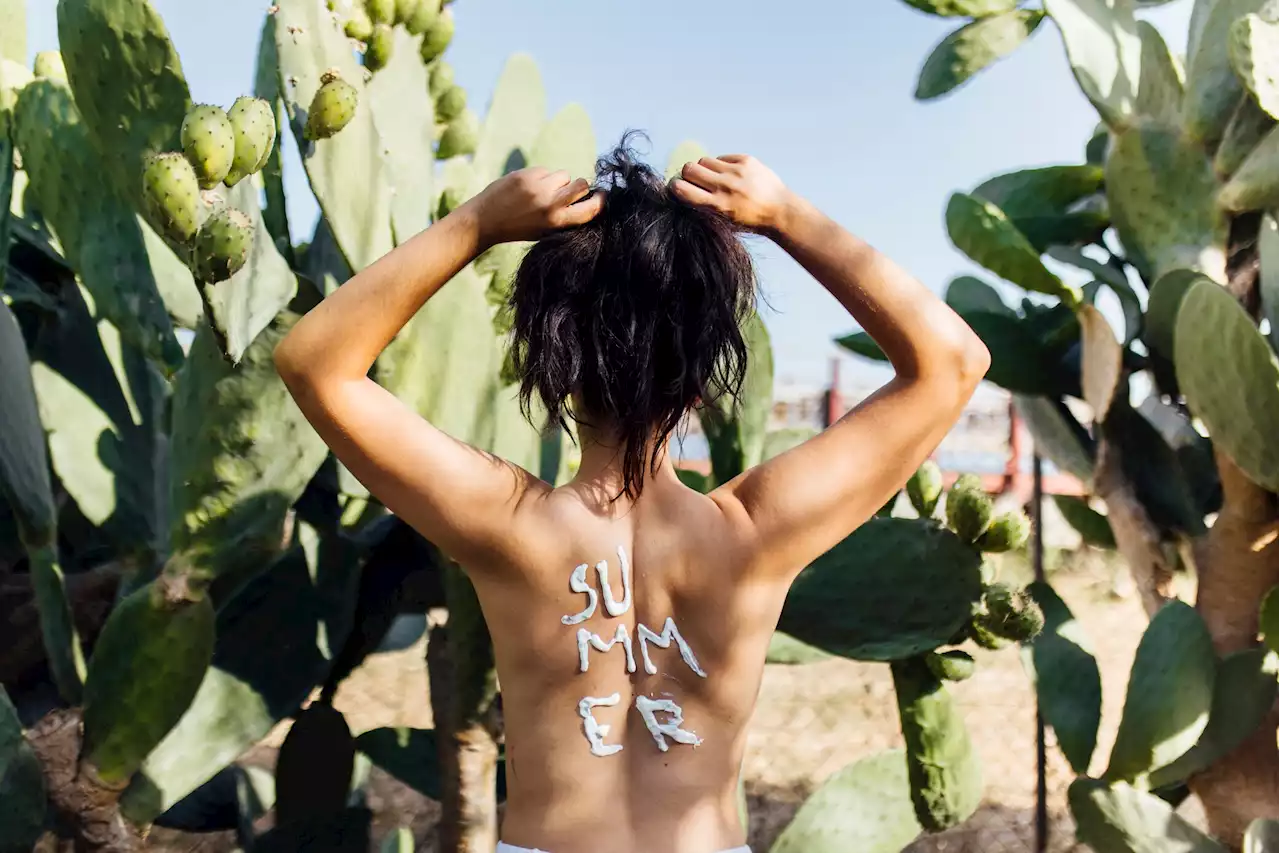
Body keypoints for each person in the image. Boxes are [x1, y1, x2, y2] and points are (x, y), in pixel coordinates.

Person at [274, 137, 990, 853]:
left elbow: (316, 364)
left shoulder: (510, 525)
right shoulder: (753, 534)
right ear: (706, 371)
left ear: (550, 353)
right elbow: (952, 362)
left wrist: (478, 223)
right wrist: (784, 215)